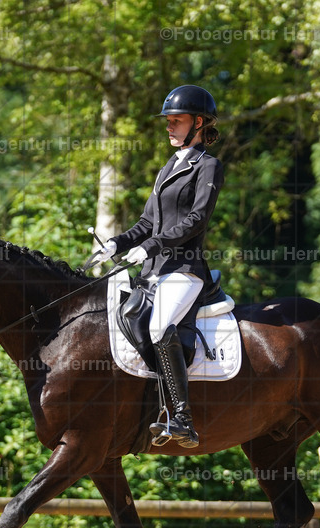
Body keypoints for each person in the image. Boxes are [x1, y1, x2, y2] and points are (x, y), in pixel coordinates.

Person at [97, 85, 224, 449]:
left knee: (159, 325)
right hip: (155, 269)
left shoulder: (209, 166)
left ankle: (183, 418)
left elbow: (197, 220)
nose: (169, 127)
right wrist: (118, 243)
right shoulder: (169, 166)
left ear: (198, 123)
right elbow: (146, 222)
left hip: (184, 269)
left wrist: (151, 246)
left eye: (176, 121)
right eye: (167, 121)